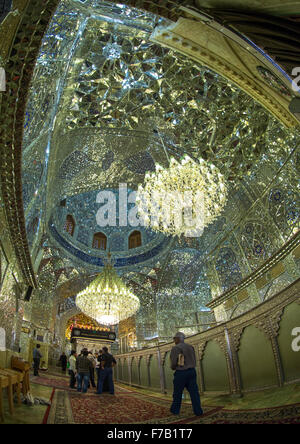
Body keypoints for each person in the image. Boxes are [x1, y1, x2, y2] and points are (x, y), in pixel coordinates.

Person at [170, 332, 203, 416]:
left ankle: (175, 410)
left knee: (177, 393)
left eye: (174, 339)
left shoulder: (176, 348)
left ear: (177, 338)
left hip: (181, 373)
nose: (174, 340)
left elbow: (174, 362)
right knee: (194, 393)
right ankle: (198, 411)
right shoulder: (190, 347)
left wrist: (173, 367)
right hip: (192, 372)